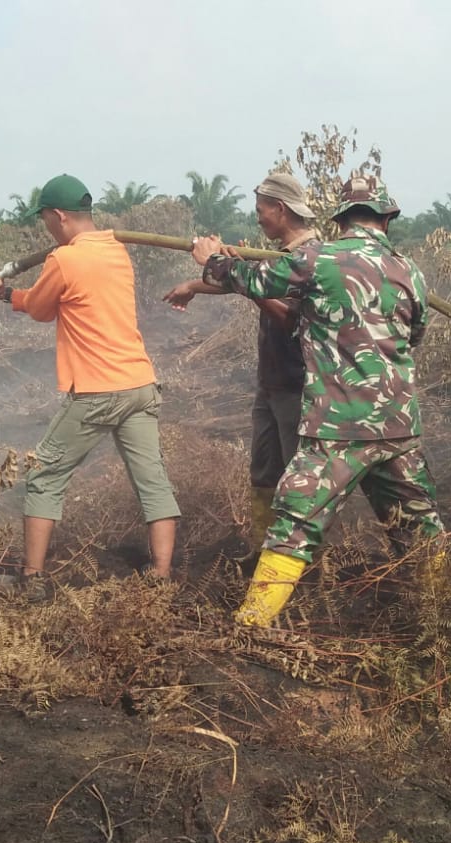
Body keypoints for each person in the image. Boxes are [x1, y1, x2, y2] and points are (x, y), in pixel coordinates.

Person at [189, 174, 444, 628]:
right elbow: (414, 336)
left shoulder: (319, 258)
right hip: (399, 425)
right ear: (387, 218)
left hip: (339, 428)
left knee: (292, 524)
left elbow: (254, 279)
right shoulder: (411, 271)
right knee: (419, 528)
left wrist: (213, 262)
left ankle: (250, 626)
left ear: (342, 218)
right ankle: (442, 618)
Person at [0, 173, 181, 599]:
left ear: (59, 215)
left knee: (43, 475)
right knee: (152, 479)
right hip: (139, 382)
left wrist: (3, 293)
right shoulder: (116, 250)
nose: (46, 226)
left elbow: (40, 309)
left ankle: (31, 581)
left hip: (97, 390)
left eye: (46, 218)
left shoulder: (64, 260)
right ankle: (161, 575)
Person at [161, 172, 317, 560]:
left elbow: (289, 318)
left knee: (296, 481)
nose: (259, 218)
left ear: (280, 209)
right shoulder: (277, 256)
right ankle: (262, 550)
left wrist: (245, 282)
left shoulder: (309, 257)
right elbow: (246, 280)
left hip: (298, 385)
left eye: (261, 210)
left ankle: (302, 563)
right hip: (272, 383)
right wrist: (195, 285)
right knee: (263, 472)